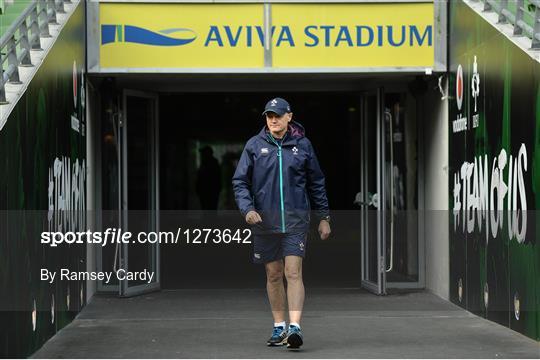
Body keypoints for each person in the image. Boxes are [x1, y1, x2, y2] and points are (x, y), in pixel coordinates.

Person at [232, 97, 331, 350]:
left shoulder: (303, 145)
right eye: (269, 116)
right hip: (264, 223)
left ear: (289, 116)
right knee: (273, 274)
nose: (273, 120)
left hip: (296, 221)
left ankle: (295, 327)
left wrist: (324, 217)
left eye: (277, 115)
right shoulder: (254, 146)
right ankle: (279, 327)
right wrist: (248, 210)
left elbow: (316, 183)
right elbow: (240, 182)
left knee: (293, 272)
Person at [196, 145, 222, 210]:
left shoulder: (210, 163)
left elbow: (202, 177)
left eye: (203, 153)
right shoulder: (208, 162)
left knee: (209, 208)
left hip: (209, 191)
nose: (202, 155)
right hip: (208, 191)